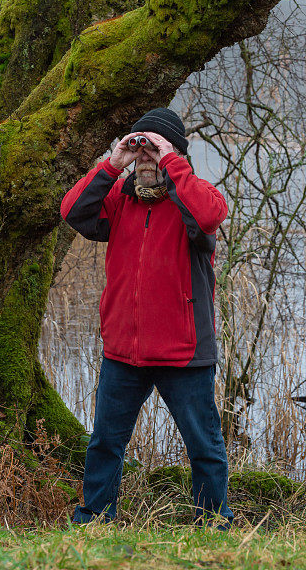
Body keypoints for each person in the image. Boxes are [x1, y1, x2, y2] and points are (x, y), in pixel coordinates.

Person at [60, 107, 234, 529]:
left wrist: (170, 159)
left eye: (152, 153)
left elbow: (212, 216)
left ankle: (213, 521)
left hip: (183, 351)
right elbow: (72, 211)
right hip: (123, 351)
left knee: (203, 445)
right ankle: (94, 518)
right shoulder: (120, 200)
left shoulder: (193, 201)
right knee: (105, 443)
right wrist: (113, 162)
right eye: (141, 154)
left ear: (175, 156)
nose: (146, 162)